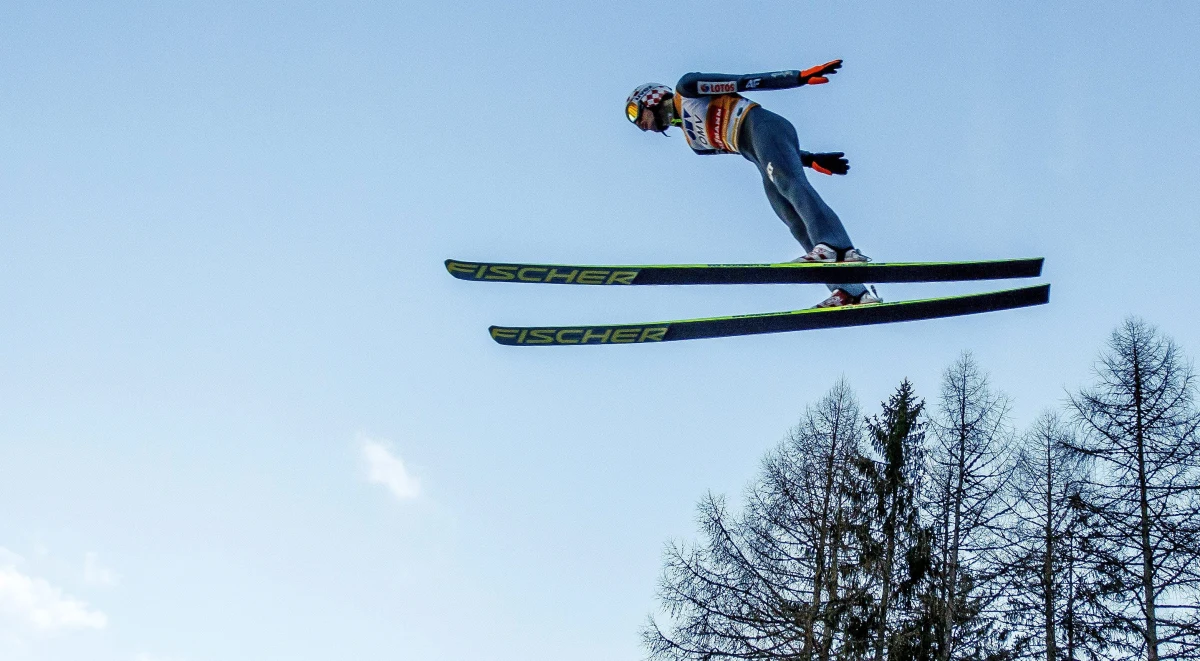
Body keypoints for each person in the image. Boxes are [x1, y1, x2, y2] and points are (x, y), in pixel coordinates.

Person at [625, 60, 880, 308]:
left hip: (763, 126)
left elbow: (744, 82)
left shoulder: (688, 90)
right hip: (756, 152)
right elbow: (757, 152)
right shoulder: (697, 144)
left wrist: (797, 77)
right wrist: (810, 159)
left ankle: (837, 247)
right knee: (791, 217)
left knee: (788, 184)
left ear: (650, 97)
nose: (641, 126)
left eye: (636, 113)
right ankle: (851, 292)